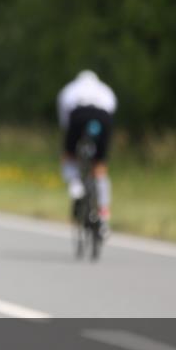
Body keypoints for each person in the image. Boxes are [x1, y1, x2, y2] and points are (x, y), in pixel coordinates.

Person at [57, 70, 117, 233]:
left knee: (69, 157)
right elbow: (111, 113)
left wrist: (70, 144)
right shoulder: (105, 90)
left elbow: (64, 119)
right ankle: (103, 213)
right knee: (100, 166)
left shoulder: (69, 89)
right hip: (103, 118)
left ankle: (75, 184)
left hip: (78, 115)